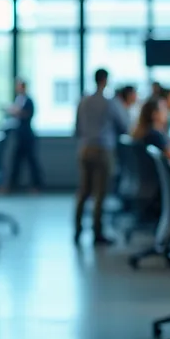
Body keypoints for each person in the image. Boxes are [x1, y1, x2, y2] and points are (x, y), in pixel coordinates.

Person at [74, 68, 127, 246]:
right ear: (105, 80)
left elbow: (76, 128)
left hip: (85, 148)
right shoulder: (109, 102)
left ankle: (77, 229)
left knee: (83, 191)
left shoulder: (83, 101)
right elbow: (123, 125)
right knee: (100, 193)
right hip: (103, 150)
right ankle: (97, 232)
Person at [6, 78, 43, 192]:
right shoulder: (19, 99)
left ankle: (37, 185)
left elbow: (27, 114)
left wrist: (15, 111)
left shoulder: (28, 100)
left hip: (27, 135)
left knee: (31, 161)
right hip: (20, 135)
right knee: (16, 161)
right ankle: (11, 185)